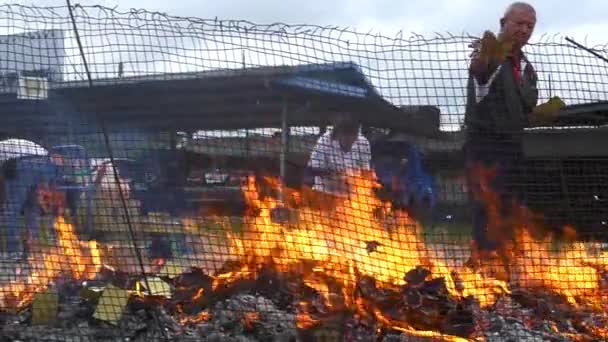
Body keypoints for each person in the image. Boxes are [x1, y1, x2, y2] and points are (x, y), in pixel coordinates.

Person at [463, 2, 557, 262]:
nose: (524, 30)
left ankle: (504, 263)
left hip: (513, 148)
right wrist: (486, 55)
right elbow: (479, 70)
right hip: (485, 146)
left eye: (530, 26)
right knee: (485, 207)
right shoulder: (491, 56)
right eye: (519, 23)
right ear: (503, 23)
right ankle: (483, 264)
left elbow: (526, 112)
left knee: (510, 207)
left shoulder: (527, 69)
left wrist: (542, 114)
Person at [0, 139, 64, 260]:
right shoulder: (12, 144)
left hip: (23, 166)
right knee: (33, 208)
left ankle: (13, 249)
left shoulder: (4, 149)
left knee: (11, 209)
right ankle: (31, 248)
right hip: (46, 164)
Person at [306, 112, 371, 197]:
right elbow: (313, 169)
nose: (349, 142)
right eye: (345, 137)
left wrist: (362, 180)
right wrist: (335, 176)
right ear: (338, 134)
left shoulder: (363, 142)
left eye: (353, 137)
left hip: (353, 197)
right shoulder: (324, 141)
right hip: (325, 195)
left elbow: (365, 171)